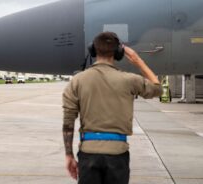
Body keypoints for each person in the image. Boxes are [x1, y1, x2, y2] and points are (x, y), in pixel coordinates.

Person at [62, 31, 161, 184]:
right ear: (118, 52)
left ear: (93, 50)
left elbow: (68, 122)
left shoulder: (77, 81)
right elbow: (157, 88)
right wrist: (137, 60)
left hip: (88, 154)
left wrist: (69, 155)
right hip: (118, 154)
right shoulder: (129, 80)